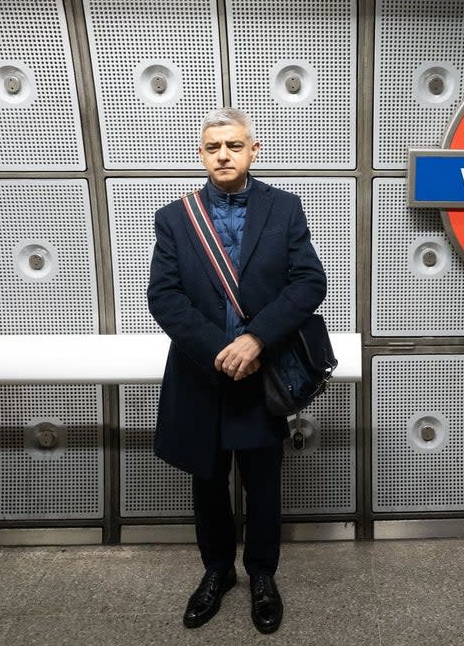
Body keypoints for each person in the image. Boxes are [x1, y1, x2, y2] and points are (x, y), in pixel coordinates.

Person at [147, 107, 327, 634]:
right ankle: (217, 572)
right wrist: (218, 350)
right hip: (202, 372)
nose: (222, 154)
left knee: (263, 481)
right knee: (207, 479)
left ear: (253, 150)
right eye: (212, 147)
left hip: (260, 370)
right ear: (201, 154)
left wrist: (254, 340)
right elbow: (164, 295)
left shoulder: (284, 208)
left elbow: (308, 282)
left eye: (233, 145)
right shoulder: (175, 217)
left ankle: (262, 575)